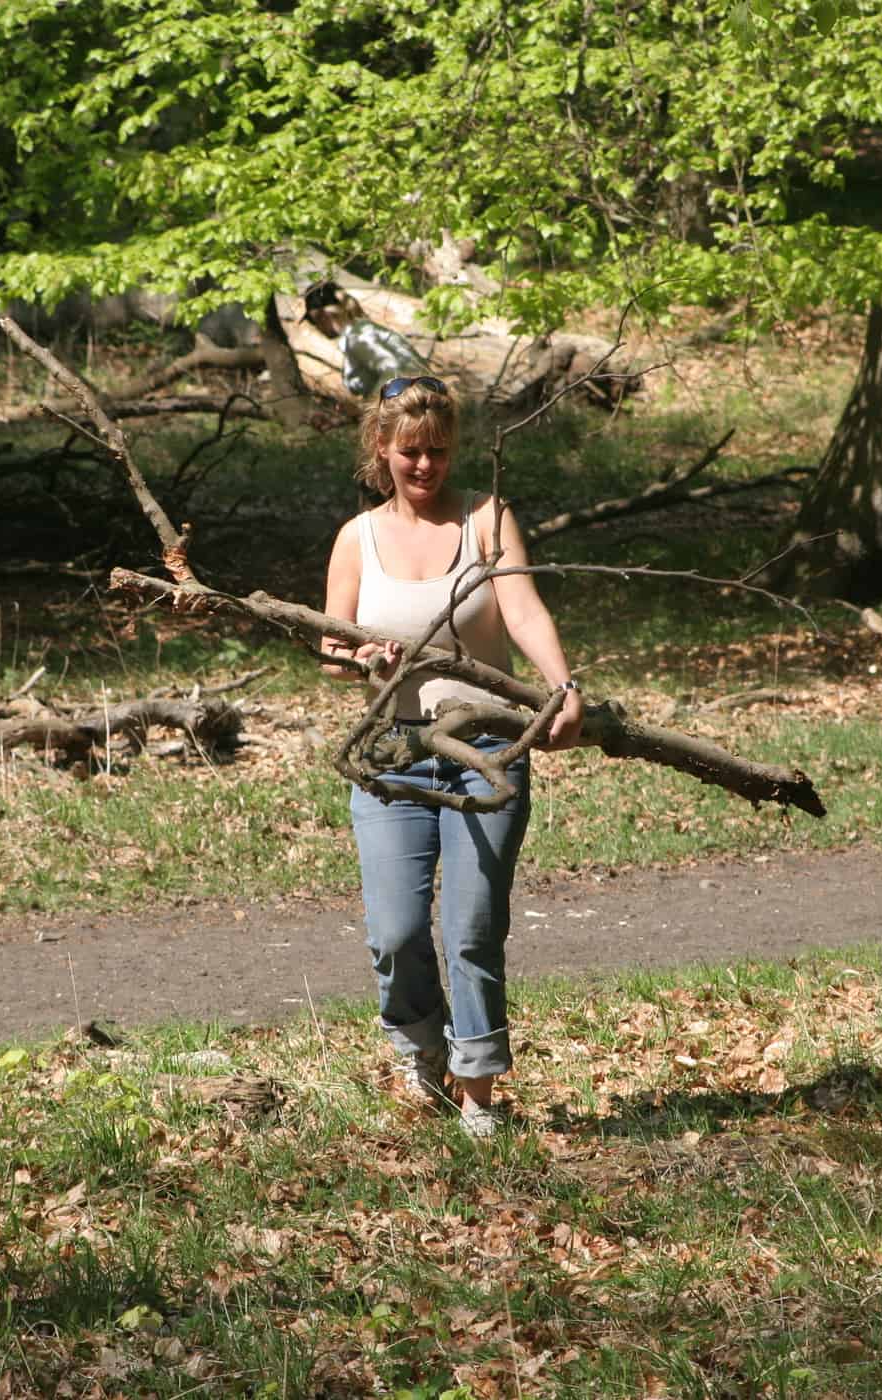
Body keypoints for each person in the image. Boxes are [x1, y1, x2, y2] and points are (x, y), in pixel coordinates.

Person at [321, 374, 585, 1138]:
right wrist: (356, 658)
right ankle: (421, 1050)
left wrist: (561, 686)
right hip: (390, 753)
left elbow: (525, 608)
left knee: (471, 927)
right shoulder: (356, 537)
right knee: (397, 932)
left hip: (487, 747)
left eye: (437, 451)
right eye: (410, 453)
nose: (425, 467)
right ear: (382, 449)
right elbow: (329, 644)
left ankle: (479, 1091)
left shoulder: (486, 520)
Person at [303, 281, 432, 399]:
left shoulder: (357, 338)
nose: (317, 327)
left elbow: (393, 371)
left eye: (314, 321)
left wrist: (370, 409)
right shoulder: (362, 331)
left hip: (415, 407)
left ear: (323, 316)